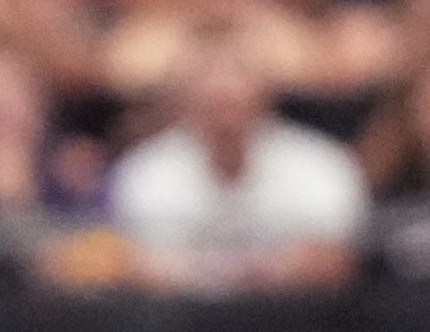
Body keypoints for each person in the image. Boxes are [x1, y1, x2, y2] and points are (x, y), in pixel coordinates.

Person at [105, 30, 367, 293]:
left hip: (295, 323)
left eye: (236, 95)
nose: (225, 105)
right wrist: (248, 269)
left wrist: (210, 269)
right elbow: (139, 265)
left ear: (267, 93)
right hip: (181, 326)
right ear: (184, 97)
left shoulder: (320, 166)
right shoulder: (147, 170)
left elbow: (334, 259)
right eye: (213, 96)